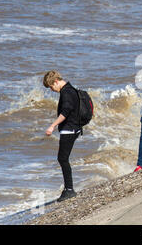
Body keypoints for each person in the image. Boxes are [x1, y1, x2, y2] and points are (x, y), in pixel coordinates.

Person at [43, 70, 81, 202]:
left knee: (63, 159)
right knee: (63, 158)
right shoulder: (70, 89)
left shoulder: (67, 92)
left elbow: (65, 112)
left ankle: (69, 190)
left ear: (56, 81)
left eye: (51, 87)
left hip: (69, 129)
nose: (52, 90)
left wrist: (52, 126)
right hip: (73, 128)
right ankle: (68, 189)